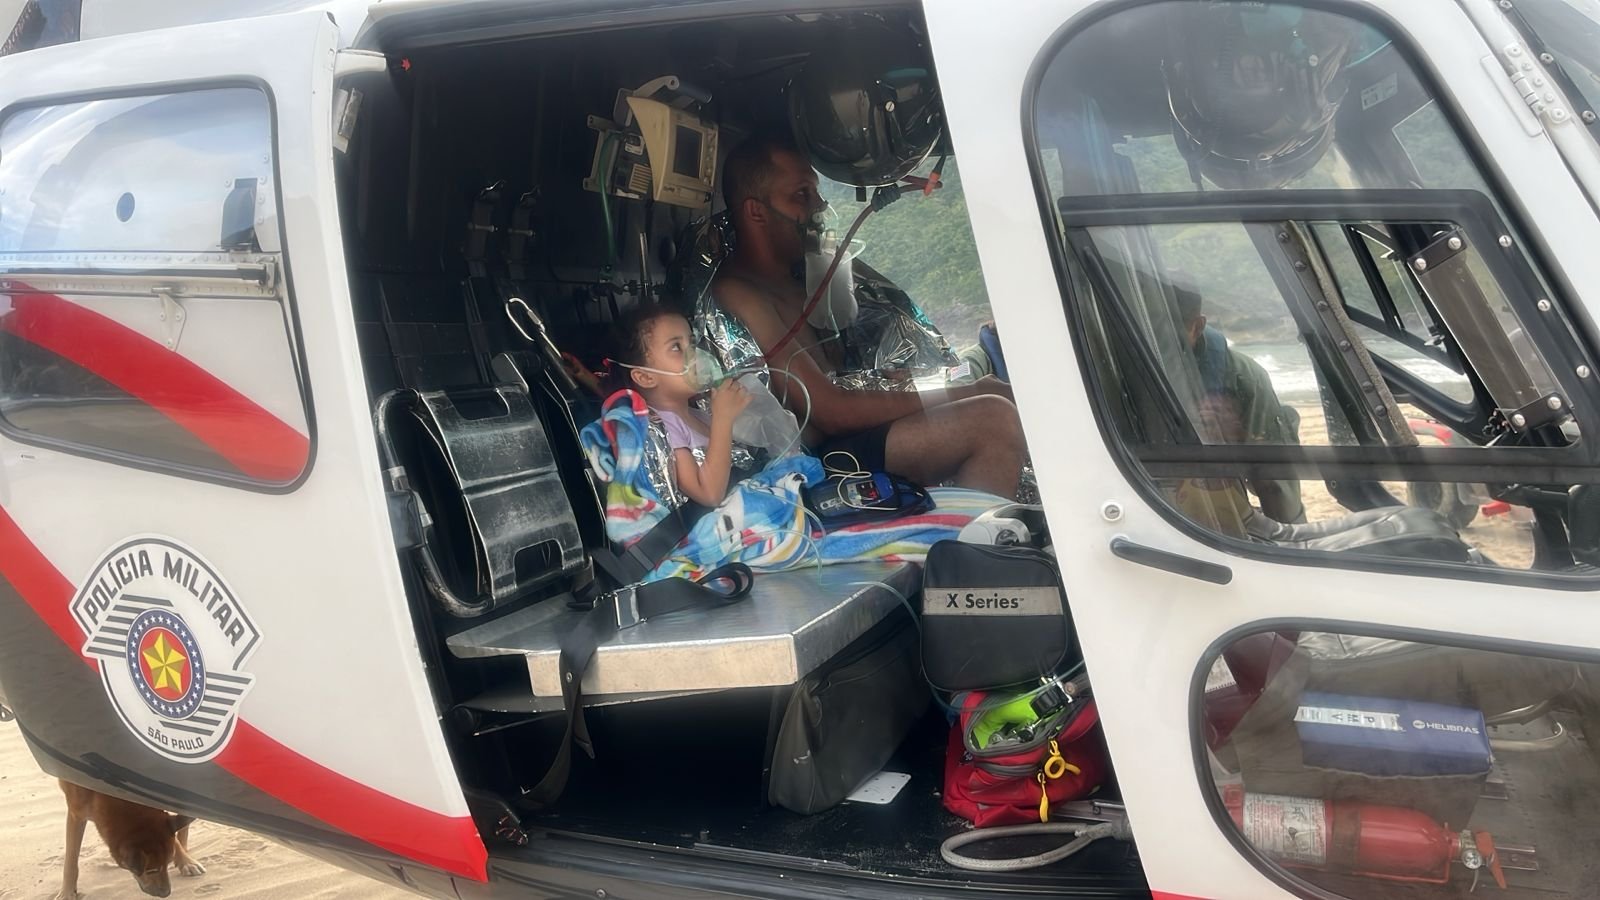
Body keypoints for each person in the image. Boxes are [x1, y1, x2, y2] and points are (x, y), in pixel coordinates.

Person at [710, 135, 1026, 498]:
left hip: (851, 437)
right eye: (802, 195)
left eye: (817, 192)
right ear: (756, 212)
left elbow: (840, 380)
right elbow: (830, 412)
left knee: (992, 391)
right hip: (817, 464)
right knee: (993, 418)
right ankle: (974, 552)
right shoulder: (740, 293)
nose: (819, 207)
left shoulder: (802, 277)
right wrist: (969, 391)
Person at [1175, 282, 1306, 524]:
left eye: (1173, 334)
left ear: (1199, 326)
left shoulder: (1244, 378)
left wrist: (1293, 538)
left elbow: (1274, 475)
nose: (1164, 346)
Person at [606, 304, 752, 507]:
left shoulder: (700, 415)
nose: (695, 355)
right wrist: (723, 418)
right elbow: (709, 494)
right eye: (676, 347)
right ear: (645, 377)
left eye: (692, 344)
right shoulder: (663, 427)